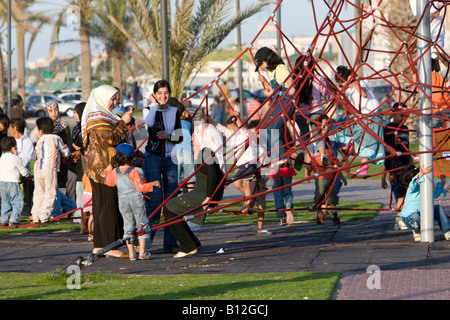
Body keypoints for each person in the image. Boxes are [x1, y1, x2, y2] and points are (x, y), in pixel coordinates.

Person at [82, 84, 134, 258]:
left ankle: (100, 245)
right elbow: (111, 138)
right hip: (105, 169)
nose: (114, 103)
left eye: (116, 99)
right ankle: (110, 245)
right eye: (113, 99)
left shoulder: (102, 116)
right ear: (103, 98)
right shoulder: (98, 119)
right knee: (109, 205)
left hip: (102, 168)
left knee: (102, 206)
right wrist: (123, 123)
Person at [163, 119, 226, 258]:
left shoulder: (206, 152)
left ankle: (188, 246)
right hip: (203, 193)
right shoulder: (209, 151)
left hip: (202, 195)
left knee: (169, 208)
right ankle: (192, 243)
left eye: (196, 134)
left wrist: (208, 198)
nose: (193, 138)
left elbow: (213, 175)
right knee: (172, 209)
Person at [143, 80, 183, 253]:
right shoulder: (149, 110)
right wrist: (154, 105)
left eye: (166, 92)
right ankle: (146, 241)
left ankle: (170, 243)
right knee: (156, 199)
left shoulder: (174, 111)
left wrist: (169, 136)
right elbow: (151, 124)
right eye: (159, 93)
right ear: (154, 94)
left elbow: (180, 136)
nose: (163, 96)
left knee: (172, 199)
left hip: (171, 159)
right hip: (153, 158)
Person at [106, 143, 161, 260]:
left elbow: (109, 183)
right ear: (132, 158)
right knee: (142, 224)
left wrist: (108, 171)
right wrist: (153, 184)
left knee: (128, 226)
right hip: (136, 201)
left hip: (123, 201)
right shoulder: (134, 172)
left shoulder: (115, 172)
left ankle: (131, 253)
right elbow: (140, 187)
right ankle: (142, 252)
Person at [334, 65, 385, 178]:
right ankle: (347, 146)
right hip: (361, 116)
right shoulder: (347, 91)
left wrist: (353, 84)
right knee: (340, 125)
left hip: (372, 114)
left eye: (341, 83)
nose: (341, 86)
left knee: (366, 139)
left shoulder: (359, 82)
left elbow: (364, 94)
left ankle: (364, 168)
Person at [207, 114, 258, 214]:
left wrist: (238, 117)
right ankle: (252, 198)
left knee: (246, 183)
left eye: (233, 129)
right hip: (240, 163)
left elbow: (241, 125)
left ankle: (248, 204)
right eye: (230, 129)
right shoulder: (231, 134)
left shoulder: (244, 133)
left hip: (249, 161)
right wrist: (210, 120)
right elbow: (221, 128)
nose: (231, 131)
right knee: (237, 184)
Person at [255, 47, 296, 165]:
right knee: (263, 128)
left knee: (271, 129)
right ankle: (273, 154)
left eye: (262, 63)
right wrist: (265, 82)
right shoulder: (273, 73)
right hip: (278, 102)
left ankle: (281, 156)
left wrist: (292, 87)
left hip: (286, 102)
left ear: (268, 58)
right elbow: (274, 90)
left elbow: (290, 82)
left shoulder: (280, 68)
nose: (262, 67)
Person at [293, 54, 334, 170]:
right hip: (316, 113)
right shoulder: (318, 79)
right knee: (318, 135)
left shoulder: (296, 80)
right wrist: (331, 91)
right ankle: (322, 155)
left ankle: (301, 152)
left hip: (301, 113)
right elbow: (328, 96)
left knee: (304, 134)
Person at [305, 116, 347, 225]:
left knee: (320, 198)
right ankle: (335, 216)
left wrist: (308, 173)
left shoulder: (316, 157)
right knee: (332, 199)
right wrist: (344, 178)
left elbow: (310, 166)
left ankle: (321, 213)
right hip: (331, 179)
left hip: (319, 179)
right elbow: (338, 168)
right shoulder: (331, 156)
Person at [31, 117, 71, 224]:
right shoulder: (56, 138)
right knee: (50, 192)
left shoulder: (39, 141)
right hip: (50, 168)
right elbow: (65, 152)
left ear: (40, 131)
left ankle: (35, 215)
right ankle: (44, 215)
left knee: (38, 193)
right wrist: (67, 156)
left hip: (38, 169)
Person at [381, 102, 413, 230]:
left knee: (407, 193)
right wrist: (383, 176)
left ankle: (404, 218)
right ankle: (398, 219)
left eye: (404, 116)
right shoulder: (388, 128)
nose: (403, 118)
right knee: (400, 194)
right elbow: (384, 149)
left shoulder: (405, 128)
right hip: (395, 165)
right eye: (400, 115)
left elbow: (407, 147)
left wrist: (411, 162)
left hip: (406, 164)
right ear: (393, 114)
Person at [398, 164, 450, 242]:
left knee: (437, 208)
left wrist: (442, 183)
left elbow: (434, 194)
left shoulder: (423, 187)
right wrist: (422, 173)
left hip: (423, 213)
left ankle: (447, 231)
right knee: (415, 216)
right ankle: (416, 231)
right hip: (409, 217)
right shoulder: (411, 189)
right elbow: (413, 182)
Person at [0, 136, 31, 227]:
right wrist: (28, 175)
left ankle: (4, 219)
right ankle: (14, 220)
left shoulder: (1, 158)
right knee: (17, 202)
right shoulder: (15, 158)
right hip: (13, 183)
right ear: (13, 147)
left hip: (2, 183)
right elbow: (23, 170)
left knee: (5, 202)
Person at [8, 118, 35, 212]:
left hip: (22, 172)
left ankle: (27, 208)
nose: (8, 130)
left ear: (15, 128)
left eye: (10, 128)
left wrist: (14, 158)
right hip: (9, 171)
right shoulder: (8, 141)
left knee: (28, 181)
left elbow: (25, 161)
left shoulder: (28, 142)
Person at [171, 97, 196, 192]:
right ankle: (191, 197)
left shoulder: (172, 123)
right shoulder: (188, 123)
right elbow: (193, 132)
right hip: (188, 151)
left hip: (176, 152)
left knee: (175, 180)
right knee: (190, 179)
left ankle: (175, 198)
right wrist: (189, 118)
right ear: (183, 113)